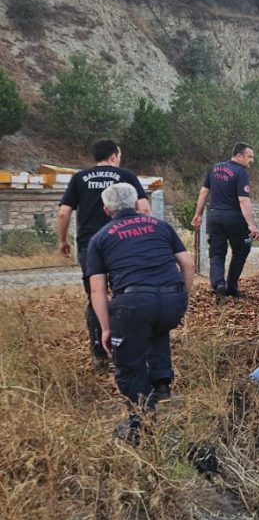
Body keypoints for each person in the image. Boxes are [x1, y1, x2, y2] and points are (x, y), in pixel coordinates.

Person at [85, 183, 194, 442]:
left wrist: (107, 328)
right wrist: (181, 297)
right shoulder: (160, 226)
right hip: (171, 300)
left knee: (128, 361)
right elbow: (188, 264)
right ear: (136, 204)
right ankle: (162, 384)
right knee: (156, 327)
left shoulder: (100, 238)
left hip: (133, 303)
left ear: (106, 209)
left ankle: (140, 420)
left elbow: (97, 291)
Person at [57, 139, 152, 370]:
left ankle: (100, 353)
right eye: (119, 155)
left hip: (90, 245)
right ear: (113, 156)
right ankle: (128, 348)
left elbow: (63, 213)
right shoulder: (126, 175)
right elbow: (145, 209)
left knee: (96, 298)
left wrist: (62, 240)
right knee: (126, 294)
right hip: (124, 243)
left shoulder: (79, 178)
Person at [190, 142, 259, 302]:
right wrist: (251, 225)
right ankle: (232, 287)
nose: (251, 161)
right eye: (249, 157)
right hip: (234, 218)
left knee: (217, 252)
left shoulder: (215, 168)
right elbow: (243, 200)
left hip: (214, 216)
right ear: (239, 155)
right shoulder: (241, 172)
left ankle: (219, 285)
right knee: (242, 249)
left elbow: (204, 191)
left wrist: (198, 214)